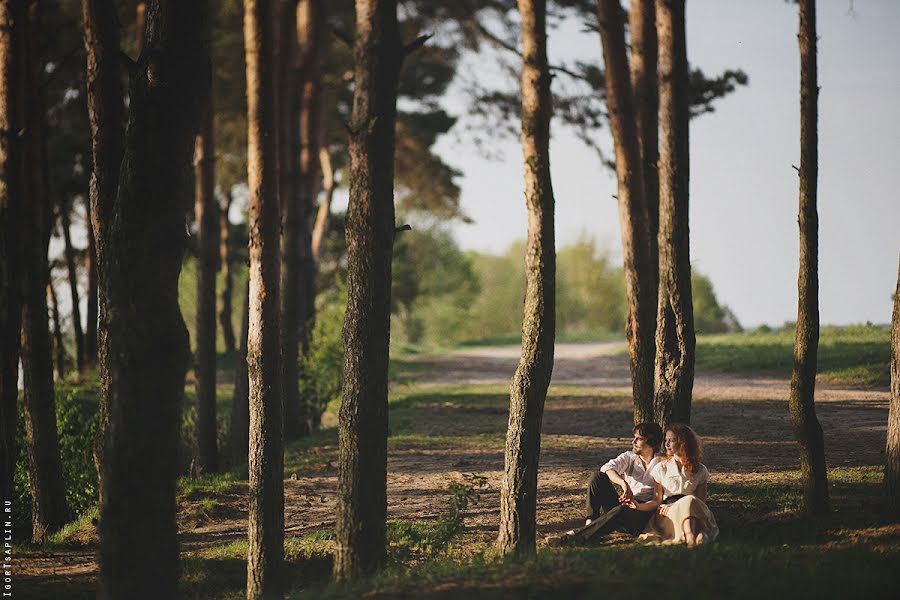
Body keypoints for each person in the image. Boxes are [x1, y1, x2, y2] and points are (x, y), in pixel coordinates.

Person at [552, 422, 664, 545]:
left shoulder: (662, 463)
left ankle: (572, 539)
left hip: (641, 514)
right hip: (624, 506)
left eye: (639, 439)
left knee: (622, 510)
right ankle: (590, 523)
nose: (633, 442)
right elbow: (606, 468)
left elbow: (657, 499)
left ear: (651, 442)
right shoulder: (629, 457)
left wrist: (636, 505)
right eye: (634, 438)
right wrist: (623, 483)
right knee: (597, 477)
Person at [639, 423, 719, 546]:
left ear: (683, 443)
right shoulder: (661, 468)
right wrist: (637, 506)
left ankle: (692, 536)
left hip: (694, 508)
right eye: (666, 440)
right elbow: (656, 500)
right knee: (689, 502)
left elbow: (701, 501)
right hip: (669, 512)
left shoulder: (700, 470)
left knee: (690, 501)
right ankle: (691, 536)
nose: (666, 444)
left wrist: (682, 503)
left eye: (671, 440)